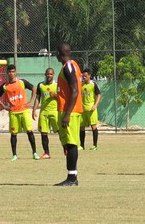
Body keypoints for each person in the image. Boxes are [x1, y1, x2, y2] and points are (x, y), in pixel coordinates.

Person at [0, 65, 39, 161]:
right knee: (14, 134)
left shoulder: (22, 82)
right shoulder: (5, 86)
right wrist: (4, 107)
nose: (11, 73)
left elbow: (34, 89)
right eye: (9, 72)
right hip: (13, 112)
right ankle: (14, 155)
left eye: (13, 71)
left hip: (24, 111)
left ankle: (35, 153)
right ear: (7, 73)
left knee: (29, 131)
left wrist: (31, 102)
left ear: (16, 72)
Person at [54, 43, 83, 186]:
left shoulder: (68, 67)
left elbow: (75, 90)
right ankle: (72, 176)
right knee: (68, 144)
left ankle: (72, 178)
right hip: (69, 110)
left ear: (59, 53)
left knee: (71, 144)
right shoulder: (73, 65)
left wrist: (67, 114)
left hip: (69, 111)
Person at [32, 68, 58, 159]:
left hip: (55, 111)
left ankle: (66, 149)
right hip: (44, 112)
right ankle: (46, 152)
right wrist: (34, 110)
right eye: (47, 74)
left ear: (53, 74)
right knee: (43, 133)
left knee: (60, 131)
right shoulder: (41, 85)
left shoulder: (57, 85)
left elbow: (63, 97)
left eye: (51, 74)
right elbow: (38, 98)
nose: (49, 76)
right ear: (45, 74)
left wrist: (54, 95)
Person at [80, 68, 102, 151]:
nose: (84, 77)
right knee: (81, 127)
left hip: (91, 109)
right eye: (83, 76)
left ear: (89, 76)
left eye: (85, 76)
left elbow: (99, 95)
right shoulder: (81, 85)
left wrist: (95, 105)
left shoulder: (93, 84)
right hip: (82, 109)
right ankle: (82, 145)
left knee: (93, 126)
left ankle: (94, 145)